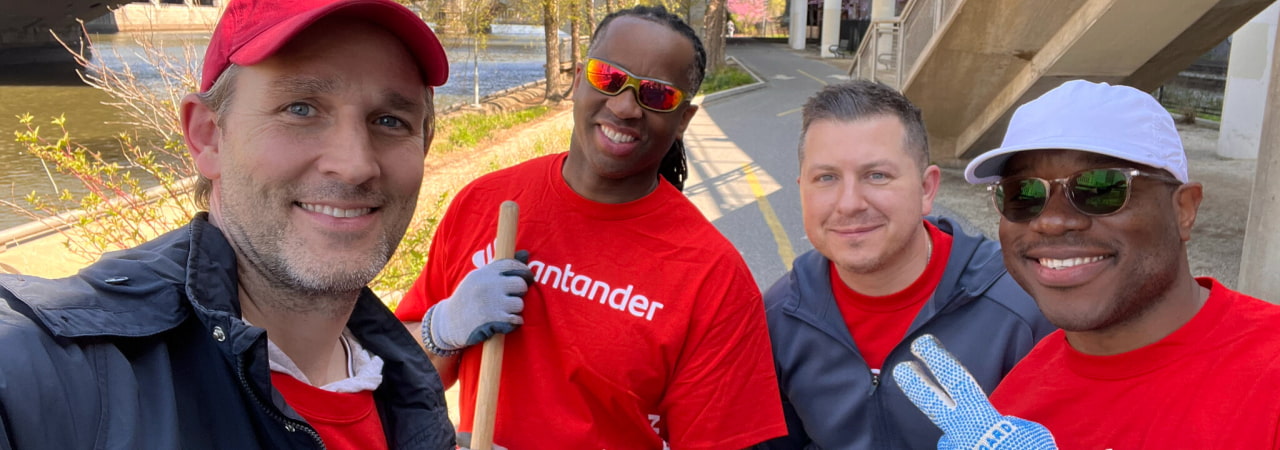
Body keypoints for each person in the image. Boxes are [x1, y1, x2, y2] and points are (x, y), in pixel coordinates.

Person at [0, 0, 457, 448]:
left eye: (389, 120)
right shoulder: (63, 374)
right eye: (301, 108)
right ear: (208, 137)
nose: (355, 164)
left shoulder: (402, 386)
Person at [394, 5, 787, 448]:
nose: (624, 107)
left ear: (683, 120)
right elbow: (396, 381)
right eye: (609, 78)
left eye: (656, 95)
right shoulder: (484, 202)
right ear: (579, 78)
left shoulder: (714, 279)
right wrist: (444, 327)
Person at [893, 79, 1280, 449]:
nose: (1051, 220)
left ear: (1184, 209)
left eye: (1100, 188)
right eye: (1022, 193)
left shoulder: (1268, 372)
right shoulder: (1012, 406)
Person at [756, 81, 1053, 449]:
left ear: (927, 189)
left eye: (877, 175)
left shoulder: (1024, 307)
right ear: (802, 189)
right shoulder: (779, 316)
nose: (849, 203)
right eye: (826, 178)